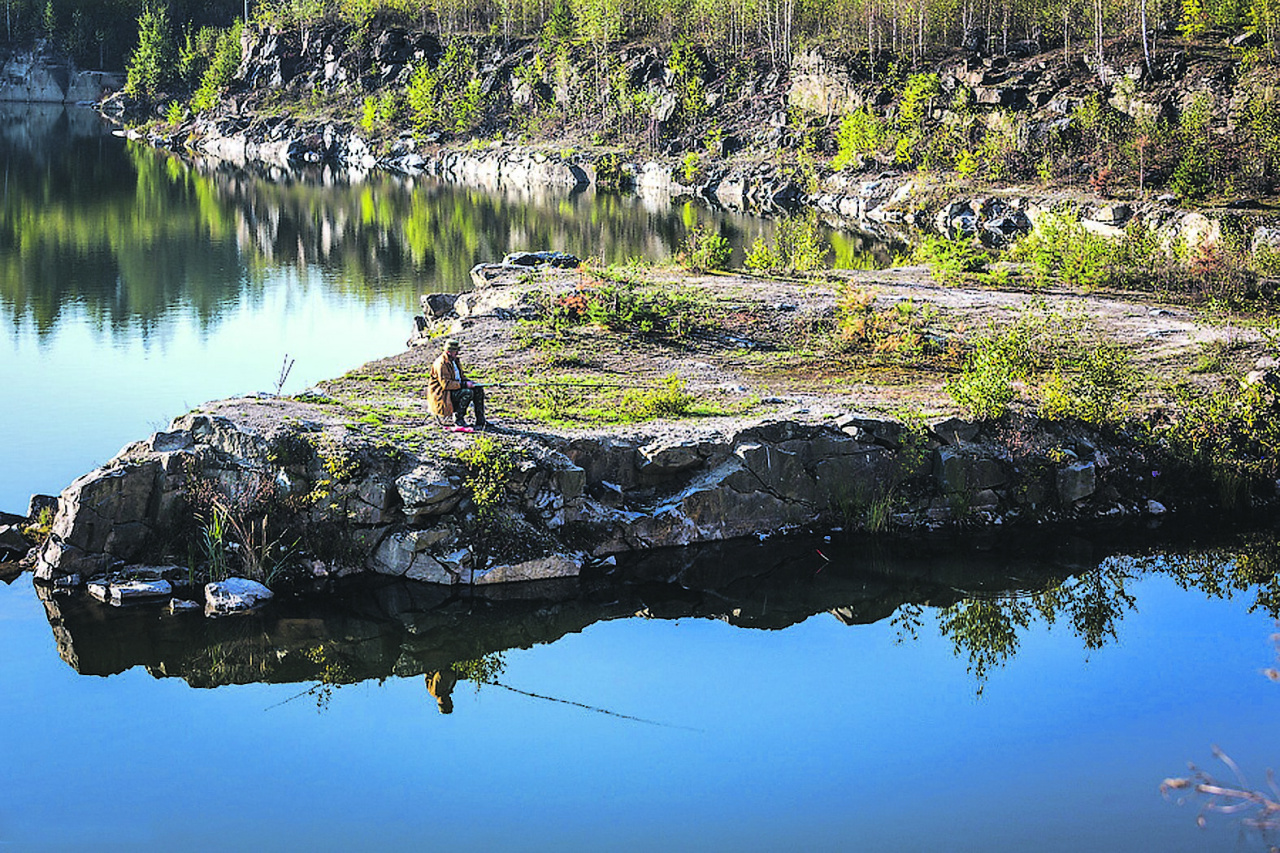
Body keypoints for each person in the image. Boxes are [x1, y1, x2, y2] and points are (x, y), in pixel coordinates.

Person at [428, 338, 486, 429]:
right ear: (448, 352)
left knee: (478, 390)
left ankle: (481, 420)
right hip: (443, 394)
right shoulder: (441, 364)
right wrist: (464, 385)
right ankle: (459, 419)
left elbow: (460, 377)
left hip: (454, 389)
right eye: (455, 351)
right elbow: (446, 385)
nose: (458, 353)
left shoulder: (455, 360)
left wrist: (469, 382)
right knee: (467, 393)